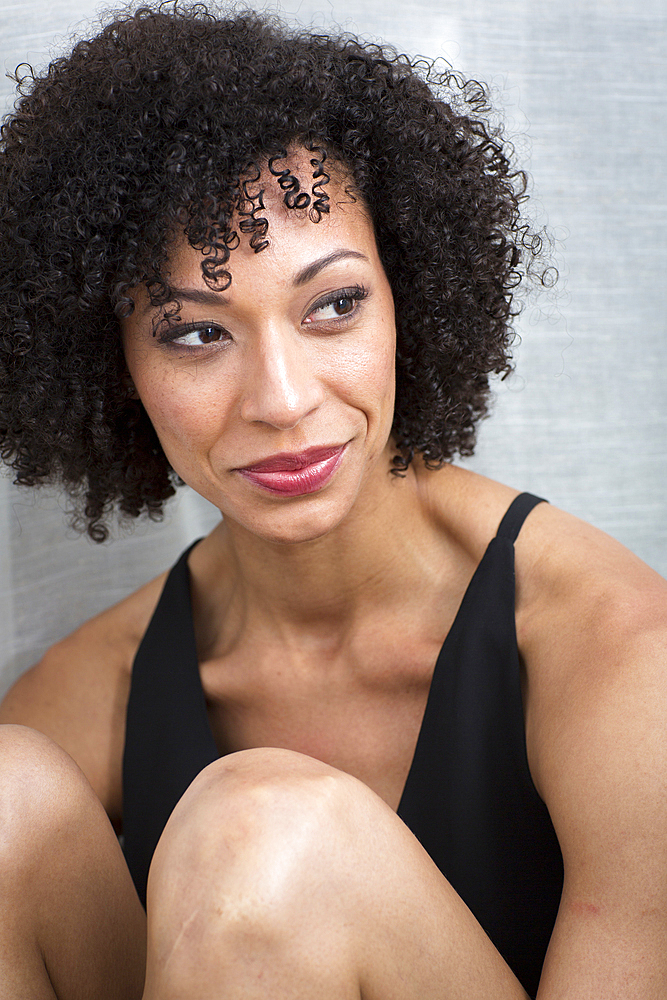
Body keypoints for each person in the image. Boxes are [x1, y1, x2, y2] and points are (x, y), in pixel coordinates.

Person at [0, 4, 666, 998]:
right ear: (111, 369)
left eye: (334, 304)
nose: (282, 400)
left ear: (412, 299)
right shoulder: (94, 688)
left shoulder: (619, 651)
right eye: (194, 332)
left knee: (265, 836)